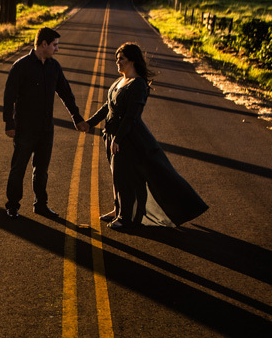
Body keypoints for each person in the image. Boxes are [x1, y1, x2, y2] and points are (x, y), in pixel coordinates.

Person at [85, 42, 208, 230]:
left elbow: (131, 116)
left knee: (126, 177)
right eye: (117, 58)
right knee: (116, 175)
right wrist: (89, 123)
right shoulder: (120, 81)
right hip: (111, 136)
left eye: (121, 59)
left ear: (132, 60)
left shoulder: (138, 84)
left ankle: (125, 217)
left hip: (128, 139)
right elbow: (107, 107)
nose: (117, 62)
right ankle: (117, 208)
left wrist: (118, 139)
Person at [2, 27, 90, 218]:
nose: (57, 49)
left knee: (41, 170)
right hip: (24, 129)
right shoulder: (21, 66)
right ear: (44, 44)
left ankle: (41, 205)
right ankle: (13, 205)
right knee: (18, 168)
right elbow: (9, 97)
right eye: (55, 45)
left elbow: (66, 93)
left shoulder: (54, 67)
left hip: (46, 129)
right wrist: (9, 123)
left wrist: (76, 117)